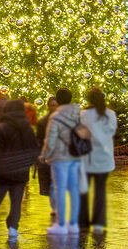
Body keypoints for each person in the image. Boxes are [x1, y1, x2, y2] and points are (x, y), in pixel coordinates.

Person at [0, 99, 39, 237]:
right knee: (16, 201)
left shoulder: (2, 127)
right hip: (21, 171)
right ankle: (13, 228)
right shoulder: (27, 128)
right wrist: (28, 163)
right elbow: (34, 149)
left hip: (2, 171)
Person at [40, 88, 85, 235]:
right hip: (75, 156)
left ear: (58, 100)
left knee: (59, 190)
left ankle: (60, 224)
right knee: (73, 190)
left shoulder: (56, 117)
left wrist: (44, 154)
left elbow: (50, 139)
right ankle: (73, 224)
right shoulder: (78, 114)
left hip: (60, 157)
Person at [77, 88, 117, 233]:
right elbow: (112, 132)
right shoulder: (110, 114)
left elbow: (79, 134)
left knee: (84, 190)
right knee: (100, 190)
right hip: (104, 159)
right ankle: (99, 222)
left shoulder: (84, 114)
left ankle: (83, 222)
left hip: (88, 158)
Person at [35, 98, 58, 222]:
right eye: (52, 105)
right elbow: (39, 139)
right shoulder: (43, 122)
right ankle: (54, 206)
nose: (53, 107)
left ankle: (56, 206)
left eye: (56, 105)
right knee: (51, 183)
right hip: (48, 155)